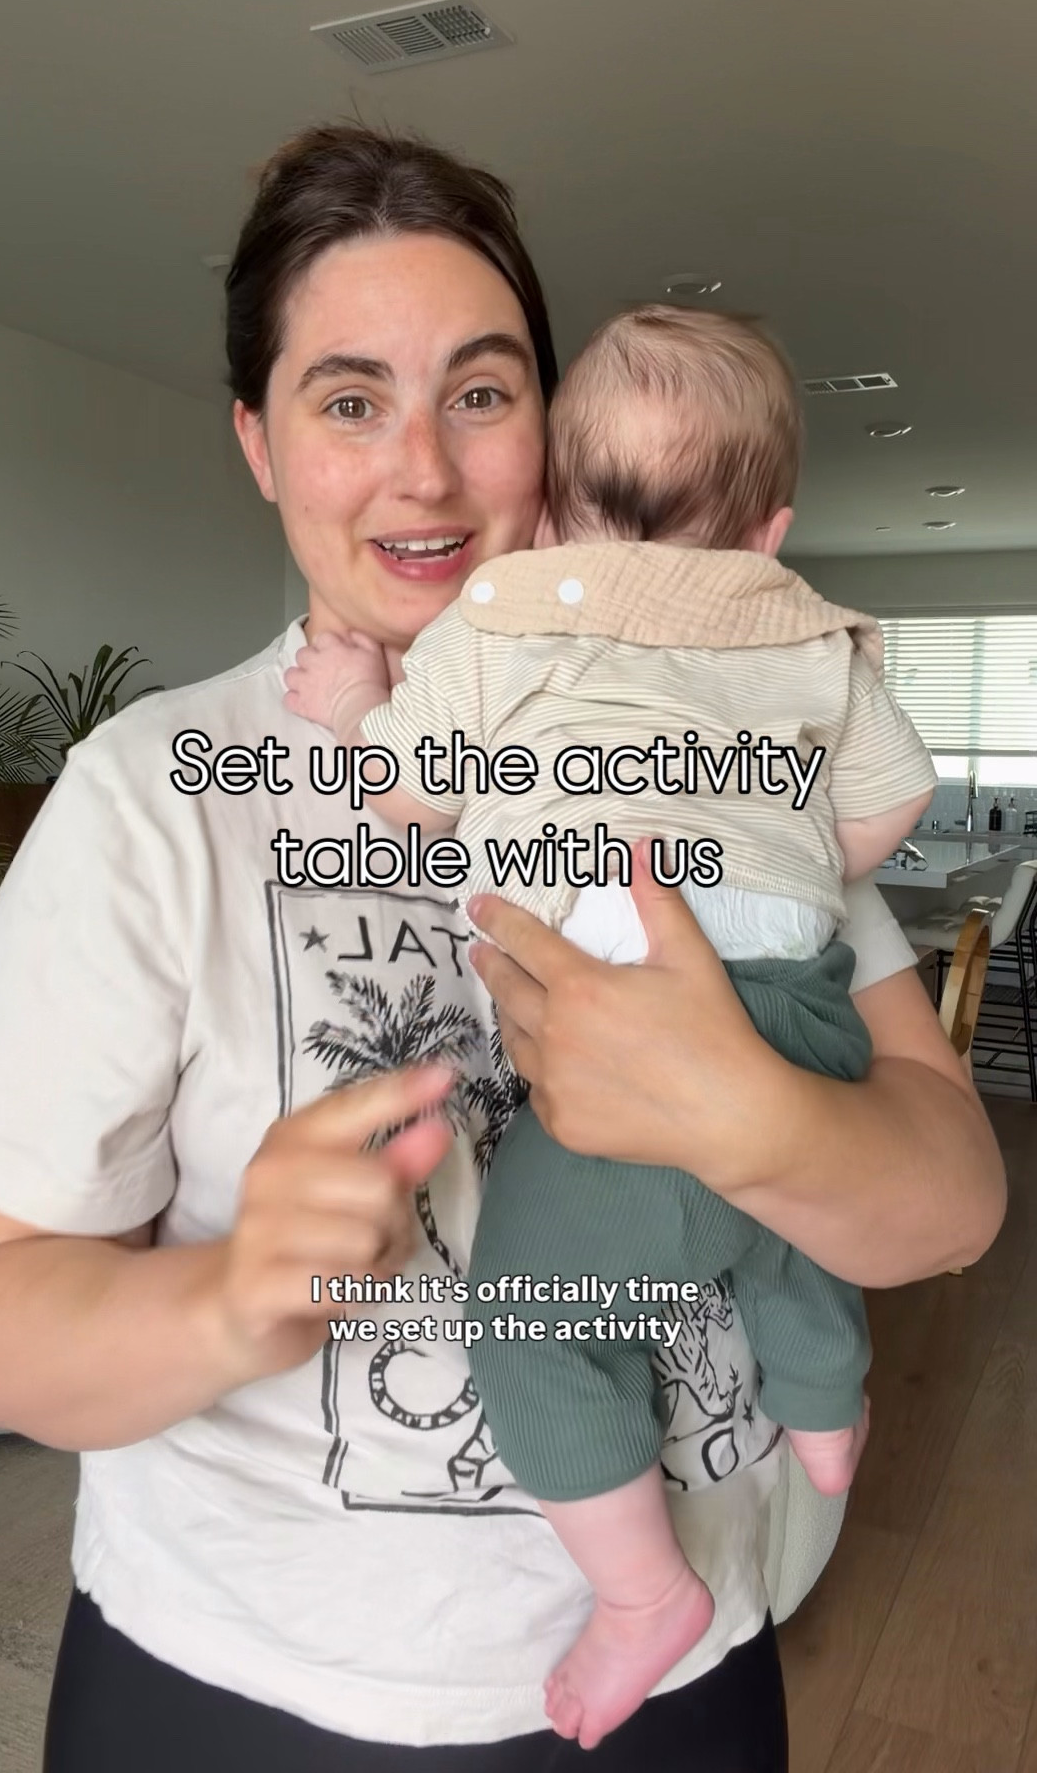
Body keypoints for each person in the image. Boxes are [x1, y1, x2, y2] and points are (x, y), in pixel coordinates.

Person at [0, 124, 1004, 1773]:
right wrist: (233, 1292)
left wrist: (751, 1112)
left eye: (485, 392)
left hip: (689, 1683)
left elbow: (952, 1204)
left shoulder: (731, 761)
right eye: (350, 399)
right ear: (261, 443)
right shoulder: (153, 796)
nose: (426, 473)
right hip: (246, 1703)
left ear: (558, 429)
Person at [283, 302, 937, 1748]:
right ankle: (824, 1401)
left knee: (534, 1318)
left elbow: (406, 787)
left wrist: (351, 701)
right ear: (768, 531)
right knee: (774, 1205)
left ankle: (646, 1596)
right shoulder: (814, 632)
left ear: (560, 506)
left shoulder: (508, 616)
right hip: (808, 1003)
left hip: (633, 1032)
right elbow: (888, 812)